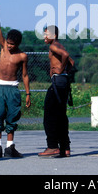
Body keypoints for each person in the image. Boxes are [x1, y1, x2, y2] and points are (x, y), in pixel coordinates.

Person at [0, 0, 31, 158]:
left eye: (12, 44)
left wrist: (27, 94)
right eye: (9, 43)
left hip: (13, 89)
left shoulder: (22, 56)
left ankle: (10, 148)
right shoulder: (3, 47)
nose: (10, 46)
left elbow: (25, 75)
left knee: (12, 117)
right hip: (0, 87)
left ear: (17, 44)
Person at [39, 25, 74, 158]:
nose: (44, 37)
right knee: (61, 115)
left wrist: (59, 71)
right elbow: (72, 62)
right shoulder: (60, 45)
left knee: (49, 115)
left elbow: (66, 56)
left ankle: (52, 146)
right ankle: (65, 147)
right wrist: (65, 72)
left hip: (58, 81)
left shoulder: (53, 46)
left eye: (46, 34)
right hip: (63, 82)